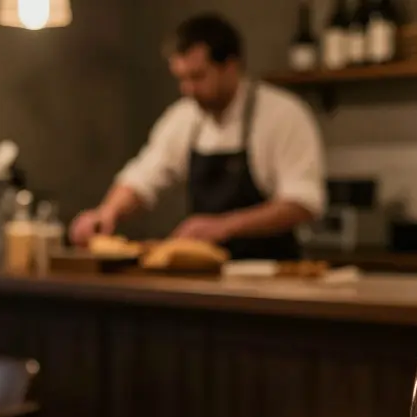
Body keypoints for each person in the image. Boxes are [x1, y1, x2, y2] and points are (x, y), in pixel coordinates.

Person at [69, 14, 326, 261]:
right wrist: (107, 213)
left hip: (270, 273)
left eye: (198, 77)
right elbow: (143, 177)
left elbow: (303, 202)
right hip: (204, 275)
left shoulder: (282, 115)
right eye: (181, 79)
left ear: (231, 67)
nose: (188, 89)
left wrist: (223, 226)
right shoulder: (184, 118)